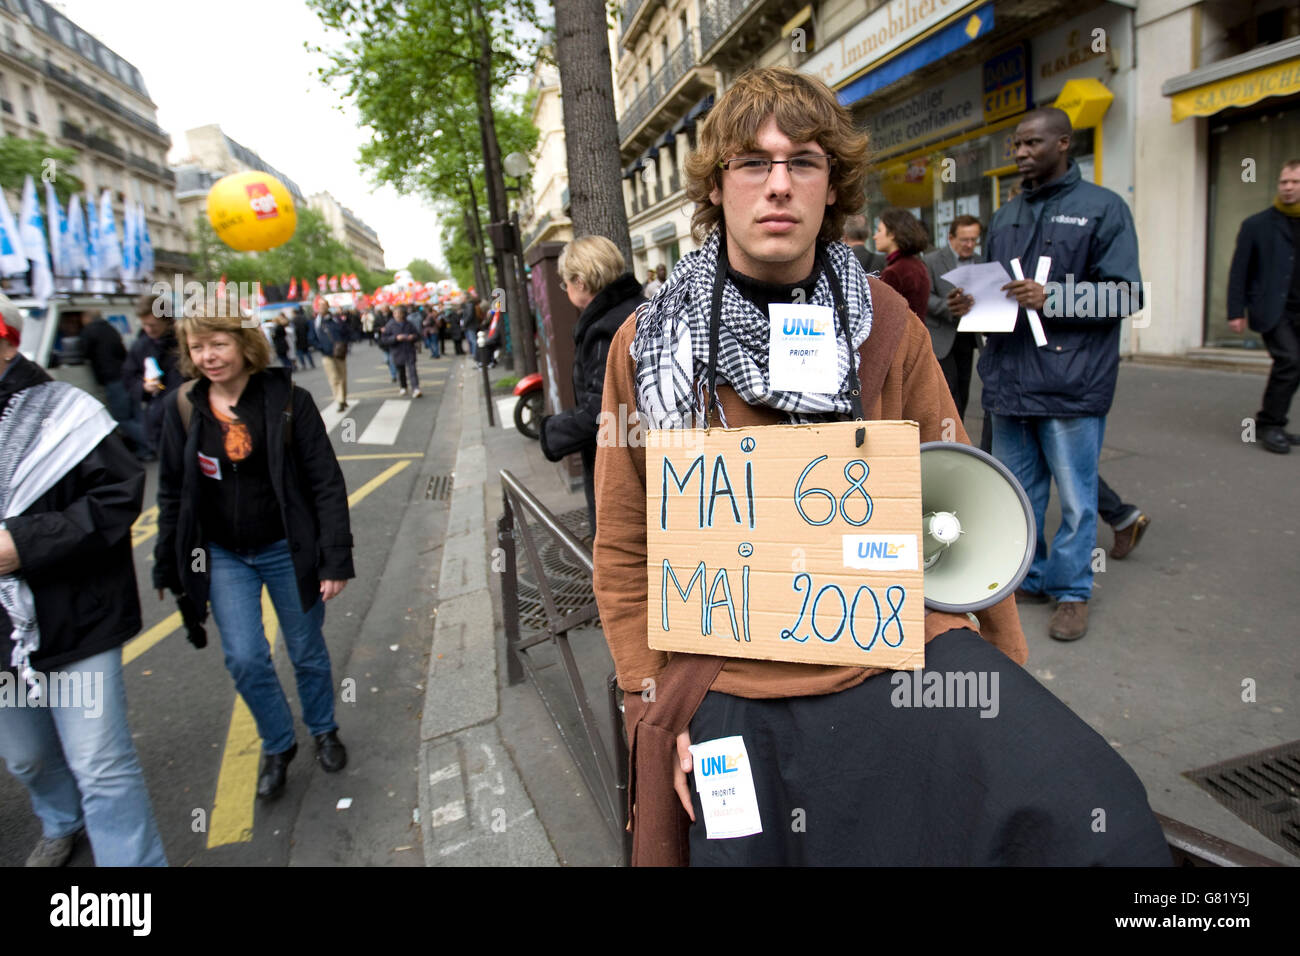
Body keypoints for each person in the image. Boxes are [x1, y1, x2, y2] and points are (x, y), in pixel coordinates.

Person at [593, 67, 1168, 866]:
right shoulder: (647, 342)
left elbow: (962, 502)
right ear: (717, 188)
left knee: (1093, 818)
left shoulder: (886, 323)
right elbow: (624, 548)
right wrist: (648, 706)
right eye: (752, 164)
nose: (778, 185)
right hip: (724, 677)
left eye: (804, 162)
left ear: (833, 187)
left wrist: (1003, 677)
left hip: (887, 652)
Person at [153, 299, 354, 801]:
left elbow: (325, 482)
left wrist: (333, 559)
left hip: (288, 547)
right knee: (244, 657)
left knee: (307, 649)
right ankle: (278, 743)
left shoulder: (289, 398)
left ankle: (323, 728)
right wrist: (166, 562)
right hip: (222, 554)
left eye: (218, 344)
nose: (208, 356)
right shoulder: (182, 407)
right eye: (196, 347)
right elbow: (173, 492)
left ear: (246, 344)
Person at [0, 294, 167, 867]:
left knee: (101, 764)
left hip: (75, 617)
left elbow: (118, 499)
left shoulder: (66, 411)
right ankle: (61, 821)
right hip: (2, 634)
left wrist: (22, 544)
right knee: (26, 758)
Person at [964, 107, 1142, 642]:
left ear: (1064, 143)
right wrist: (967, 302)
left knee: (1078, 497)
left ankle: (1072, 592)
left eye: (1032, 143)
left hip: (1071, 381)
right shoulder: (1007, 214)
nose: (1020, 153)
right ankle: (1031, 577)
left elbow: (1126, 293)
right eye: (1016, 144)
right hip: (1009, 380)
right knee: (1018, 494)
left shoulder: (1103, 209)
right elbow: (995, 295)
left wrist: (1053, 297)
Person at [539, 236, 646, 536]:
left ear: (580, 281)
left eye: (566, 283)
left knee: (619, 547)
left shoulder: (604, 329)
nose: (566, 290)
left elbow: (601, 411)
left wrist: (551, 433)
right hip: (648, 450)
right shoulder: (637, 308)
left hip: (619, 463)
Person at [1228, 159, 1300, 455]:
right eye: (1284, 182)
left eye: (1295, 182)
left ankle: (1273, 421)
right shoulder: (1257, 225)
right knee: (1290, 361)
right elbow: (1239, 270)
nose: (1287, 187)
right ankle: (1270, 425)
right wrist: (1235, 310)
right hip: (1273, 309)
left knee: (1294, 366)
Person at [923, 215, 984, 421]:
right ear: (951, 237)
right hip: (942, 334)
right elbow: (925, 295)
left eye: (974, 240)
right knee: (948, 392)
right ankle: (948, 438)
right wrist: (947, 306)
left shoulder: (981, 261)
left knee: (964, 389)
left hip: (968, 336)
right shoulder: (932, 260)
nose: (969, 245)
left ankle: (959, 435)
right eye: (964, 239)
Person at [78, 309, 148, 460]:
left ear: (86, 317)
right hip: (126, 375)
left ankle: (149, 445)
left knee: (122, 419)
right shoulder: (110, 328)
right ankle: (147, 446)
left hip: (113, 379)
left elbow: (82, 353)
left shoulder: (90, 332)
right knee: (137, 416)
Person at [875, 207, 931, 319]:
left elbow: (883, 316)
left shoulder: (894, 272)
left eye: (880, 230)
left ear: (892, 234)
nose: (875, 236)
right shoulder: (918, 265)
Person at [314, 298, 355, 411]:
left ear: (328, 307)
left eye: (324, 305)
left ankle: (343, 397)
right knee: (333, 378)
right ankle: (340, 400)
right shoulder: (316, 322)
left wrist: (344, 344)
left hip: (339, 353)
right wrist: (321, 347)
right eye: (320, 306)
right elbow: (312, 338)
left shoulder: (336, 320)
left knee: (342, 377)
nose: (322, 308)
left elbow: (347, 331)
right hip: (326, 354)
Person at [382, 305, 422, 397]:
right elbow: (384, 339)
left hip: (409, 349)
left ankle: (415, 388)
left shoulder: (409, 324)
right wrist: (395, 338)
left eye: (400, 313)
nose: (398, 315)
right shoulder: (390, 325)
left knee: (412, 370)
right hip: (397, 351)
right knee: (401, 371)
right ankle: (403, 387)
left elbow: (417, 335)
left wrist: (413, 337)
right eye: (396, 313)